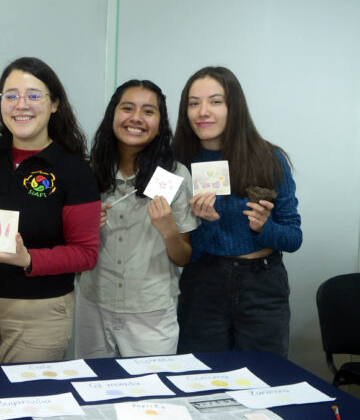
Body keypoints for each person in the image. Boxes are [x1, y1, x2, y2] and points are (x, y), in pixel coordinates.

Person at [0, 57, 100, 365]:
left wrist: (28, 259)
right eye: (11, 95)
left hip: (39, 313)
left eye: (33, 95)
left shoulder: (73, 170)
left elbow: (86, 254)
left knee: (26, 405)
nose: (21, 104)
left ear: (55, 103)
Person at [173, 66, 302, 357]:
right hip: (202, 283)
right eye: (194, 103)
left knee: (264, 379)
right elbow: (181, 254)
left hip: (262, 285)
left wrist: (264, 227)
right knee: (201, 379)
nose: (203, 111)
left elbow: (294, 238)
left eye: (215, 102)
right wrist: (205, 223)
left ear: (234, 107)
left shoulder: (269, 158)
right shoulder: (177, 163)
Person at [75, 80, 198, 358]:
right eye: (127, 108)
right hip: (94, 304)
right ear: (113, 115)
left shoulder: (175, 175)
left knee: (150, 398)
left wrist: (168, 229)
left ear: (160, 123)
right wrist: (84, 230)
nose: (136, 118)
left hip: (150, 312)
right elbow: (69, 246)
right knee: (92, 391)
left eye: (148, 111)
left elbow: (183, 257)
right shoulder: (89, 170)